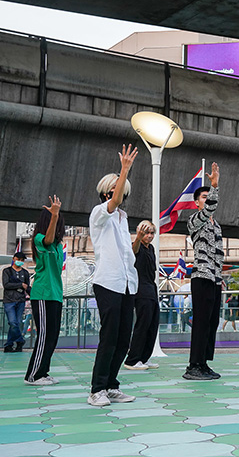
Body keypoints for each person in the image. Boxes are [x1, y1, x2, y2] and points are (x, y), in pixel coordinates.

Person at [88, 145, 139, 406]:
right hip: (107, 282)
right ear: (106, 193)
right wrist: (125, 168)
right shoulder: (100, 214)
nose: (120, 197)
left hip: (127, 283)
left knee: (122, 340)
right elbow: (113, 202)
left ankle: (111, 385)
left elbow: (127, 253)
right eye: (117, 192)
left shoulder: (123, 218)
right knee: (109, 337)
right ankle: (96, 389)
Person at [184, 162, 224, 380]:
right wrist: (215, 186)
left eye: (209, 195)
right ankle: (193, 365)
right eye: (203, 197)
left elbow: (219, 253)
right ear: (197, 203)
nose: (207, 199)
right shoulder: (195, 221)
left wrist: (220, 278)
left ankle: (204, 362)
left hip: (214, 278)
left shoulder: (216, 225)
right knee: (200, 321)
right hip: (201, 276)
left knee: (212, 322)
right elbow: (210, 207)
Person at [24, 197, 65, 385]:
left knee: (53, 335)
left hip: (56, 295)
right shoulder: (40, 240)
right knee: (44, 335)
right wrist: (54, 213)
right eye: (54, 221)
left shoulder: (58, 246)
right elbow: (48, 238)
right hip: (42, 294)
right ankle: (33, 375)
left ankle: (43, 371)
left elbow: (53, 240)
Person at [124, 221, 161, 371]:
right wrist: (138, 238)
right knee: (142, 324)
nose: (150, 236)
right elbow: (133, 252)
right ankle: (133, 359)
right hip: (141, 291)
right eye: (147, 232)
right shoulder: (135, 246)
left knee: (152, 325)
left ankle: (144, 357)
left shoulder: (151, 249)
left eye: (152, 233)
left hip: (151, 289)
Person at [3, 251, 30, 353]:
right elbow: (6, 285)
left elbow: (27, 287)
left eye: (22, 260)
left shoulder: (25, 273)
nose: (20, 262)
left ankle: (9, 345)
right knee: (13, 322)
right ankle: (20, 340)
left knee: (17, 323)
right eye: (18, 260)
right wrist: (20, 285)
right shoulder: (7, 271)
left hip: (20, 300)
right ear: (14, 259)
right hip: (9, 301)